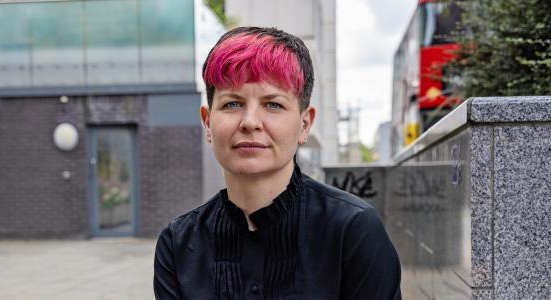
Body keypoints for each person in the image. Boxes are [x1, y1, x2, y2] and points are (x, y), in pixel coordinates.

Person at [154, 26, 401, 299]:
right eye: (232, 104)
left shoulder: (353, 232)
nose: (250, 122)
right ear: (207, 122)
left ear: (304, 124)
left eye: (273, 105)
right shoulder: (178, 243)